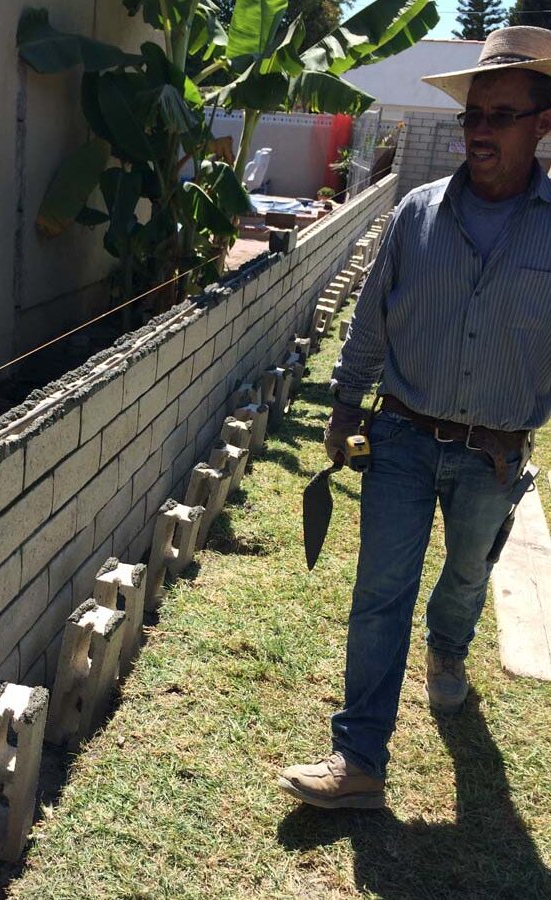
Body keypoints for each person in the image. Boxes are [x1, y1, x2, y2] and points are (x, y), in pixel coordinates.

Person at [279, 26, 551, 810]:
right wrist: (342, 404)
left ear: (543, 123)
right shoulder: (418, 214)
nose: (481, 130)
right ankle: (359, 759)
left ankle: (450, 649)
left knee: (466, 579)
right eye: (474, 115)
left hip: (493, 456)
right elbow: (369, 321)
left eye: (502, 115)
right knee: (379, 594)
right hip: (399, 437)